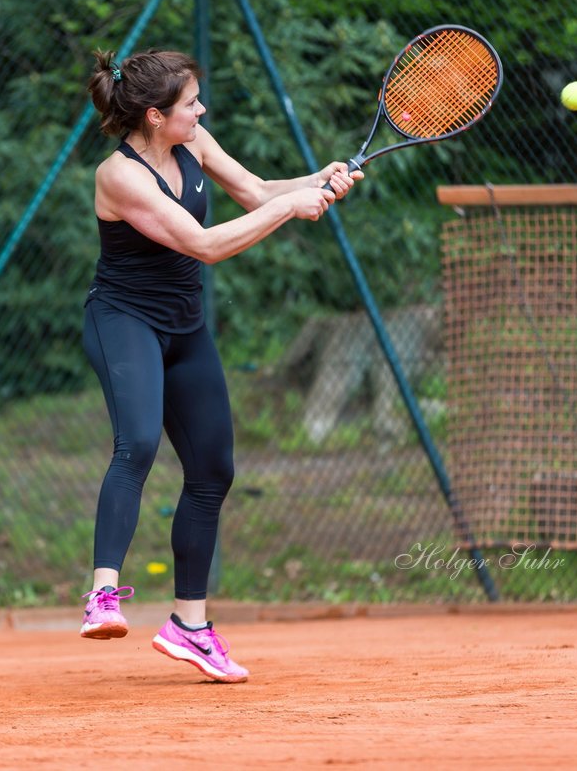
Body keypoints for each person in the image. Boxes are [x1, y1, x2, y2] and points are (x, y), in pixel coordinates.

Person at [79, 47, 362, 683]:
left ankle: (190, 626)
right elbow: (206, 245)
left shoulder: (194, 141)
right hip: (124, 322)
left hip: (184, 326)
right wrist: (291, 208)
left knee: (212, 469)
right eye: (189, 104)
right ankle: (102, 594)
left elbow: (256, 191)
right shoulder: (118, 176)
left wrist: (313, 181)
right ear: (155, 116)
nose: (201, 110)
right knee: (139, 443)